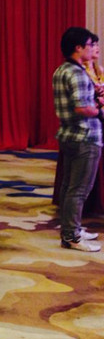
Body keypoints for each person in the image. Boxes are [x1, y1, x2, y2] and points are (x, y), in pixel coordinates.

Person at [52, 27, 102, 252]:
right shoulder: (78, 73)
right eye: (90, 45)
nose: (93, 49)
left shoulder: (61, 70)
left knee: (68, 187)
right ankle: (71, 236)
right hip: (85, 137)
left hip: (69, 135)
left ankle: (71, 228)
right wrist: (99, 108)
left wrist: (94, 98)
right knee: (79, 190)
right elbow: (82, 107)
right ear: (78, 48)